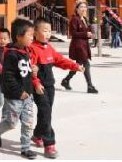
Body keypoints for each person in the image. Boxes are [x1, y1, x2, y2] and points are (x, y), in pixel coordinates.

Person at [29, 17, 83, 159]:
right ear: (35, 32)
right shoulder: (32, 49)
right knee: (46, 113)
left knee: (44, 113)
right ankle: (49, 144)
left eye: (49, 31)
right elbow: (30, 70)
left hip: (50, 87)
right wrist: (36, 83)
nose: (48, 34)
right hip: (39, 87)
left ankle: (37, 135)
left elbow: (60, 60)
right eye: (44, 31)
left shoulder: (49, 48)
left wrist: (75, 66)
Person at [0, 18, 37, 159]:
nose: (32, 38)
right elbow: (8, 76)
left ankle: (25, 148)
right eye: (30, 35)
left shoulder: (26, 51)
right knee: (11, 123)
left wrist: (33, 70)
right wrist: (19, 91)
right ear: (19, 37)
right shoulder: (11, 54)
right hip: (15, 97)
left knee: (28, 123)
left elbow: (24, 72)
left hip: (28, 96)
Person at [61, 1, 98, 94]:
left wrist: (91, 34)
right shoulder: (74, 19)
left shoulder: (85, 19)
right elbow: (73, 33)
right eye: (81, 7)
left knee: (78, 65)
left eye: (85, 7)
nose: (83, 9)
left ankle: (66, 80)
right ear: (77, 9)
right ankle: (90, 86)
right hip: (78, 45)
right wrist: (86, 34)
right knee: (86, 64)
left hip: (84, 45)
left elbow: (88, 31)